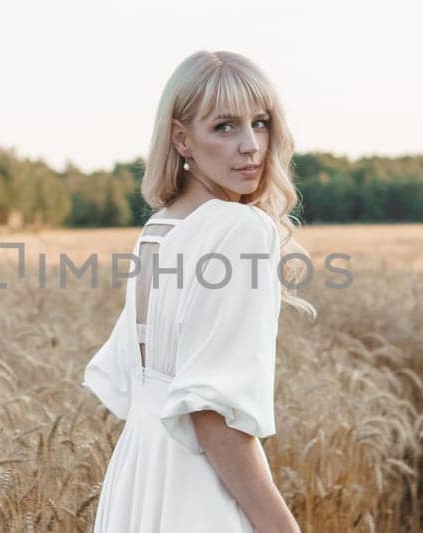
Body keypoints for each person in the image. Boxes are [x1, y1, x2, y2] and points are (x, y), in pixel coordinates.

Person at [82, 50, 318, 533]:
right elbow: (211, 414)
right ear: (182, 139)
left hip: (138, 478)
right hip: (197, 493)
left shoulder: (158, 230)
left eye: (261, 122)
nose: (251, 145)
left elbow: (143, 387)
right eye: (225, 127)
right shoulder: (241, 228)